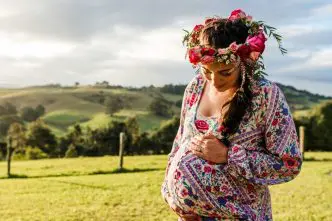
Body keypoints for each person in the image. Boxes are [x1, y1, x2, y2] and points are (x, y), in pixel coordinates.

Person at [160, 9, 303, 221]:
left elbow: (288, 164)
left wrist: (229, 155)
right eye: (207, 71)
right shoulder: (194, 88)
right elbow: (180, 143)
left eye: (225, 72)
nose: (215, 81)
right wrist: (171, 196)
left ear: (244, 62)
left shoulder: (265, 95)